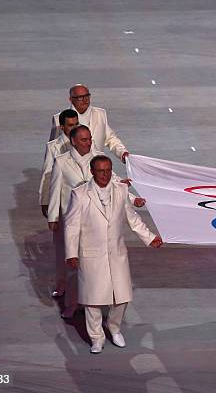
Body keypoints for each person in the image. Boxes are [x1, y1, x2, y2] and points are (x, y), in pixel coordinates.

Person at [64, 155, 163, 354]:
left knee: (122, 295)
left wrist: (150, 237)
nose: (105, 175)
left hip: (117, 253)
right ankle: (96, 338)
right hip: (91, 254)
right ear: (92, 172)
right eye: (101, 171)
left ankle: (114, 327)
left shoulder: (121, 190)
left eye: (108, 170)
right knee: (93, 300)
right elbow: (71, 225)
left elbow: (132, 218)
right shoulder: (80, 194)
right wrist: (71, 253)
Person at [48, 125, 145, 318]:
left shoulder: (98, 156)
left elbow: (115, 183)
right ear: (73, 141)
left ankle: (98, 304)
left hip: (96, 219)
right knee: (73, 266)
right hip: (73, 218)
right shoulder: (61, 162)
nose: (88, 142)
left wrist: (134, 199)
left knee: (94, 268)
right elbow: (55, 189)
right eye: (84, 139)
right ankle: (72, 305)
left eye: (90, 138)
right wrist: (53, 216)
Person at [39, 109, 79, 297]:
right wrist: (45, 202)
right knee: (62, 249)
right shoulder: (54, 147)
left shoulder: (85, 142)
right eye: (71, 125)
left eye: (76, 124)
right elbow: (48, 176)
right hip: (63, 206)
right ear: (62, 127)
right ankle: (62, 284)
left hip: (83, 207)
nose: (74, 128)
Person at [49, 84, 130, 163]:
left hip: (97, 169)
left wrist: (122, 153)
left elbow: (110, 139)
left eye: (87, 96)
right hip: (73, 169)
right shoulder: (58, 119)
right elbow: (54, 149)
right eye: (80, 97)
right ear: (71, 99)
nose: (85, 100)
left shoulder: (100, 114)